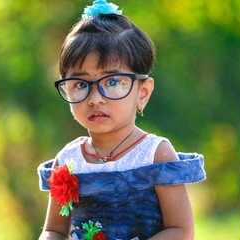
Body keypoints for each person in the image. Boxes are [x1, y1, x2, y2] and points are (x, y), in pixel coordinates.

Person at [37, 1, 206, 239]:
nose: (95, 99)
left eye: (113, 82)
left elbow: (181, 230)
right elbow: (53, 230)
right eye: (81, 84)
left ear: (143, 92)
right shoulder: (67, 160)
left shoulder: (156, 155)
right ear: (66, 89)